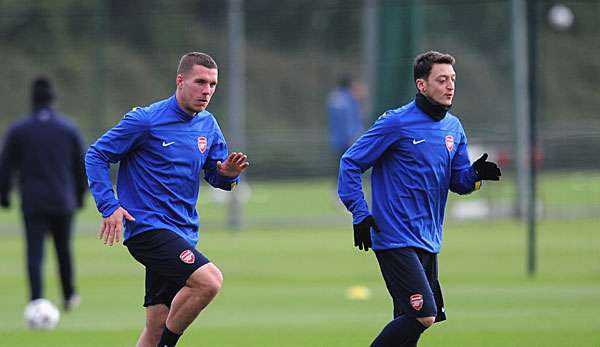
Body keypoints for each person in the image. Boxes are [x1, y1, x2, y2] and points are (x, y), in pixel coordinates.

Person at [337, 51, 501, 346]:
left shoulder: (454, 128)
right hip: (394, 237)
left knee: (409, 322)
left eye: (452, 79)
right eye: (441, 80)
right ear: (421, 85)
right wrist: (360, 212)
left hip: (429, 238)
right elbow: (350, 163)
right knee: (424, 314)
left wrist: (476, 176)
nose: (450, 85)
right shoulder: (396, 123)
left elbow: (459, 182)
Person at [85, 52, 249, 347]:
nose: (207, 90)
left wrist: (229, 175)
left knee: (156, 326)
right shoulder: (145, 121)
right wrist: (109, 206)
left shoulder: (208, 125)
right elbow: (96, 155)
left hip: (183, 233)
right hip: (147, 229)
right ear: (180, 81)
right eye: (200, 82)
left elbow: (217, 176)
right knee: (209, 281)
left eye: (212, 84)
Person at [0, 77, 86, 311]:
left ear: (33, 100)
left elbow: (5, 165)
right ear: (53, 100)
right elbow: (81, 164)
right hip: (62, 199)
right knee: (63, 250)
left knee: (34, 253)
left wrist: (4, 195)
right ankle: (69, 295)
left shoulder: (19, 129)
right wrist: (80, 195)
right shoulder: (68, 128)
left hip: (33, 200)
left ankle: (36, 299)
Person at [327, 75, 364, 164]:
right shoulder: (349, 100)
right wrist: (353, 137)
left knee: (339, 167)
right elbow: (350, 121)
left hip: (336, 139)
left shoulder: (334, 97)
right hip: (349, 141)